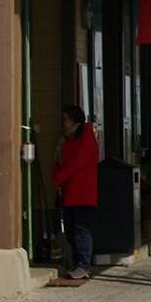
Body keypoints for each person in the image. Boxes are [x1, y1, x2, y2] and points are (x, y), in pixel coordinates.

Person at [51, 105, 98, 280]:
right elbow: (59, 160)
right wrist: (56, 177)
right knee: (71, 230)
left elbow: (79, 162)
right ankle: (77, 263)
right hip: (69, 191)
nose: (63, 122)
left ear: (74, 120)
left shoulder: (86, 135)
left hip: (83, 192)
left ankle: (84, 265)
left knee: (81, 229)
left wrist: (59, 178)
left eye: (65, 119)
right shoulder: (65, 139)